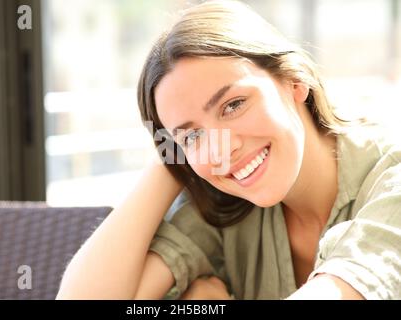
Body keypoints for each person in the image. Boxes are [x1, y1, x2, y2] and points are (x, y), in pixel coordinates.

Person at [56, 0, 401, 300]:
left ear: (295, 81)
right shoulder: (225, 209)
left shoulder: (391, 176)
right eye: (191, 136)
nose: (222, 150)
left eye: (233, 105)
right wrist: (172, 160)